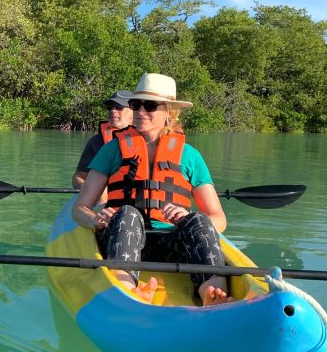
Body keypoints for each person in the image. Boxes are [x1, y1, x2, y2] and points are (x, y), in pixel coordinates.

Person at [72, 73, 231, 306]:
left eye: (150, 105)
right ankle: (126, 292)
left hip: (171, 243)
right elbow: (79, 209)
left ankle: (212, 295)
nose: (140, 111)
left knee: (198, 219)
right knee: (126, 213)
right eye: (136, 104)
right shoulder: (112, 150)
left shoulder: (190, 156)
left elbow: (219, 218)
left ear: (169, 111)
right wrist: (95, 219)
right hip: (121, 239)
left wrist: (186, 218)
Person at [71, 89, 134, 190]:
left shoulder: (148, 140)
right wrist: (87, 188)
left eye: (119, 107)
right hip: (103, 201)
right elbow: (78, 177)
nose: (113, 111)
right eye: (110, 107)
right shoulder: (96, 142)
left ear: (134, 111)